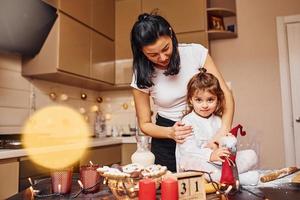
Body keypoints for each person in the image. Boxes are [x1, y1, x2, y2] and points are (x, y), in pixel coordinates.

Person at [130, 12, 234, 172]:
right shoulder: (141, 73)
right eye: (153, 54)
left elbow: (225, 94)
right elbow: (144, 124)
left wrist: (222, 131)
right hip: (167, 136)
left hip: (205, 132)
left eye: (166, 48)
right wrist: (170, 132)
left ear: (171, 34)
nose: (163, 57)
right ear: (141, 52)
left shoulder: (195, 53)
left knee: (213, 180)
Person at [175, 69, 258, 183]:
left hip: (219, 164)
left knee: (251, 155)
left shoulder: (220, 121)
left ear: (218, 100)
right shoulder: (187, 122)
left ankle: (226, 177)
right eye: (199, 100)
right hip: (201, 165)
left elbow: (227, 149)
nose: (204, 105)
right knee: (187, 161)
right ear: (190, 100)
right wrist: (210, 155)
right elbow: (188, 151)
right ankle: (237, 179)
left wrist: (230, 142)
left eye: (210, 100)